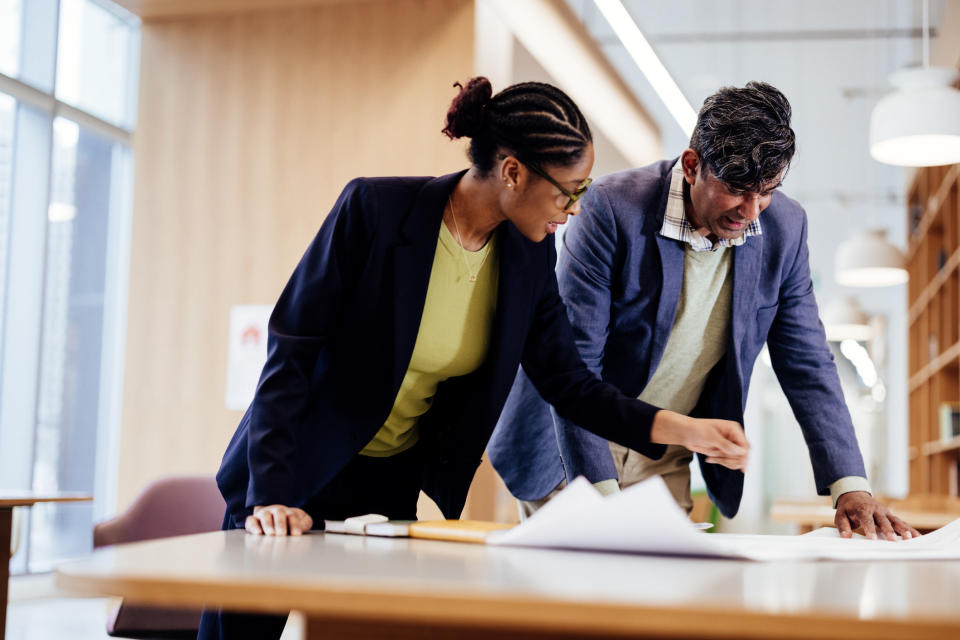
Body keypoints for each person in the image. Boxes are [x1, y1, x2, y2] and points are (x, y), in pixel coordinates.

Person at [198, 77, 749, 640]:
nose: (574, 211)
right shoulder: (375, 210)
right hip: (293, 467)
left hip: (386, 484)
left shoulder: (527, 257)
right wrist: (268, 495)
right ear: (512, 172)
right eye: (568, 192)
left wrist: (681, 428)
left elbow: (569, 382)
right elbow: (290, 352)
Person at [488, 81, 920, 542]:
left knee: (665, 601)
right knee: (575, 598)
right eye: (736, 189)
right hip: (569, 446)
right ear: (692, 166)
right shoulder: (611, 209)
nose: (751, 211)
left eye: (767, 191)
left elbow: (808, 363)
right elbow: (578, 363)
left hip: (666, 453)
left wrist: (850, 488)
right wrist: (603, 503)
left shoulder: (784, 228)